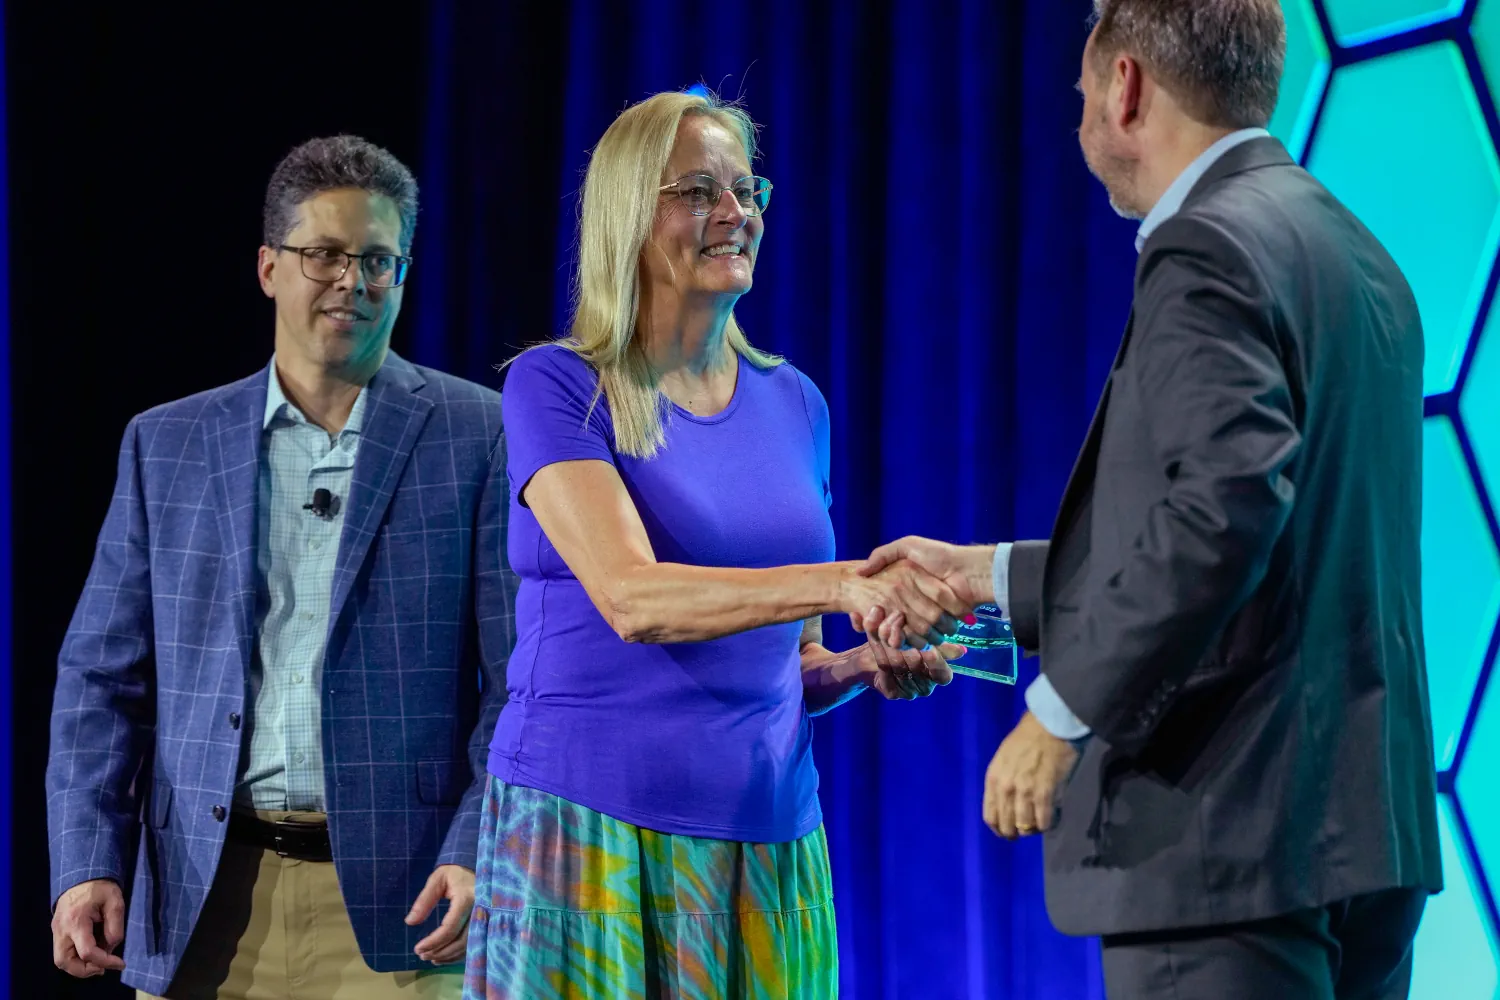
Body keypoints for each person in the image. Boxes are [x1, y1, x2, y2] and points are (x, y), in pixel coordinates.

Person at [858, 1, 1443, 997]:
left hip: (1225, 843)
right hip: (1360, 839)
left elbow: (1223, 510)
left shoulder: (1207, 246)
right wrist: (988, 576)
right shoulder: (1360, 255)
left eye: (1083, 81)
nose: (1078, 102)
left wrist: (1062, 710)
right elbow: (1274, 540)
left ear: (1125, 85)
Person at [464, 90, 968, 1000]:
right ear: (629, 212)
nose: (737, 215)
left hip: (768, 843)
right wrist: (843, 581)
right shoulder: (557, 385)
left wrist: (854, 667)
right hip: (589, 840)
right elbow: (634, 599)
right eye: (699, 192)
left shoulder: (796, 404)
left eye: (747, 190)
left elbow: (786, 656)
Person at [46, 135, 519, 1000]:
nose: (353, 281)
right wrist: (86, 863)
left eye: (380, 259)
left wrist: (473, 851)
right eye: (325, 255)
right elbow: (100, 681)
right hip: (202, 899)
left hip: (404, 912)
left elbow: (520, 682)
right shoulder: (169, 444)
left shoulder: (479, 435)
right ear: (269, 267)